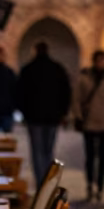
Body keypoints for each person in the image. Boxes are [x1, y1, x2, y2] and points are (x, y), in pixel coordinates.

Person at [15, 41, 72, 186]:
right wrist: (63, 112)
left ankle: (41, 181)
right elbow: (66, 92)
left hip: (34, 117)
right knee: (48, 150)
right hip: (53, 117)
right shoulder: (57, 69)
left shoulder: (28, 69)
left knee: (37, 151)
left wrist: (24, 112)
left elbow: (20, 93)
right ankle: (48, 181)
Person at [73, 49, 104, 203]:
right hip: (90, 123)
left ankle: (100, 186)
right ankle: (90, 184)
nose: (100, 63)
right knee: (91, 157)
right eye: (98, 60)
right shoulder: (84, 79)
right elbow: (77, 99)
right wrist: (78, 117)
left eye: (102, 60)